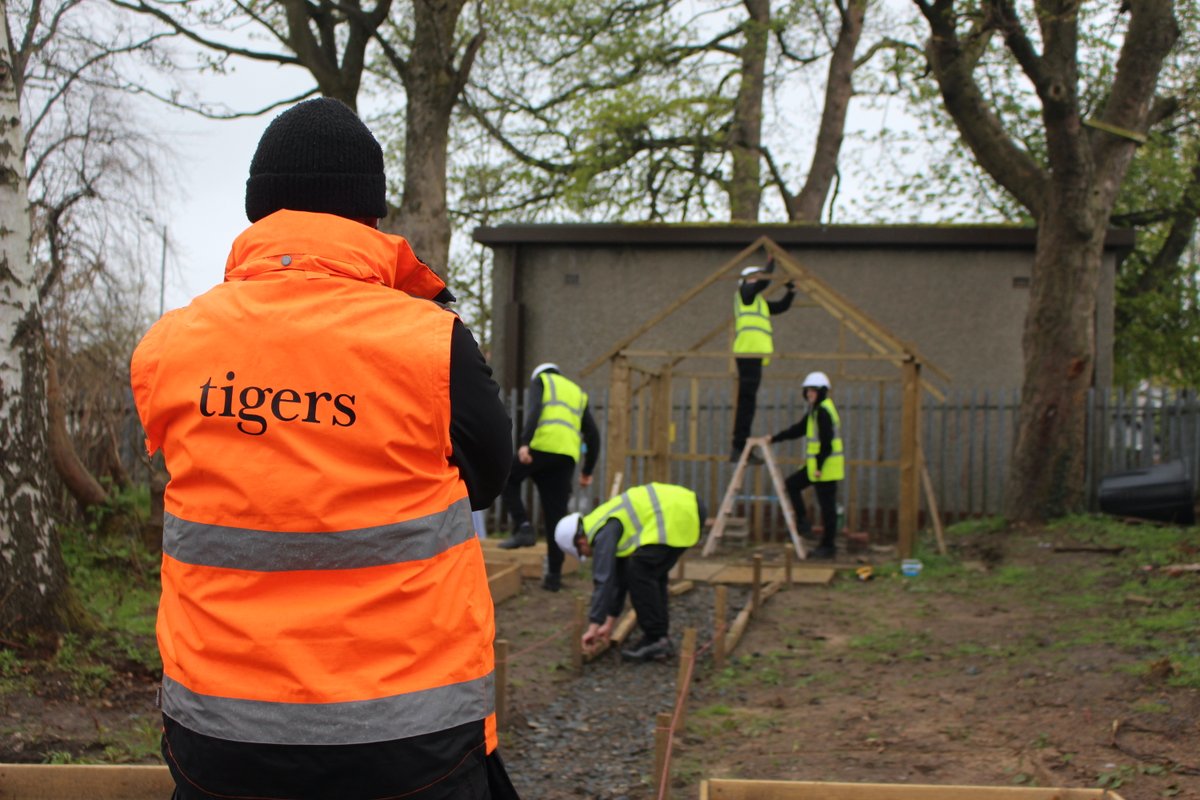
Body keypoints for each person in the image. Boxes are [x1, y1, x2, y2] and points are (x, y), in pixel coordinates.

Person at [129, 98, 519, 800]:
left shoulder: (170, 346)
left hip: (219, 741)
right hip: (409, 741)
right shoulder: (432, 343)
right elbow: (486, 481)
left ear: (259, 211)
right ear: (370, 215)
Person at [554, 483, 706, 662]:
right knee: (649, 573)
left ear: (580, 541)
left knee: (640, 571)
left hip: (677, 512)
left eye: (582, 553)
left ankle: (655, 638)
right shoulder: (602, 522)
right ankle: (660, 639)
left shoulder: (600, 532)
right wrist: (609, 624)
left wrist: (594, 626)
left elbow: (604, 579)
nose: (588, 556)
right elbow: (619, 579)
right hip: (685, 508)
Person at [499, 363, 601, 592]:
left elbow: (534, 410)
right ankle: (554, 576)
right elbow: (593, 434)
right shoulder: (577, 392)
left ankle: (524, 528)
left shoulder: (542, 381)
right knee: (556, 515)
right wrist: (587, 470)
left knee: (506, 479)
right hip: (565, 457)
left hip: (541, 448)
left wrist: (525, 443)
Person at [766, 371, 844, 560]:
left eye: (813, 391)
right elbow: (799, 429)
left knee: (827, 508)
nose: (809, 394)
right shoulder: (815, 411)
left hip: (825, 468)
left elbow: (826, 444)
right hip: (816, 467)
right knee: (791, 485)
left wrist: (818, 466)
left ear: (822, 392)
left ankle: (828, 546)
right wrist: (774, 438)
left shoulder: (824, 412)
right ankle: (803, 523)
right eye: (807, 390)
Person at [731, 254, 796, 463]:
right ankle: (739, 446)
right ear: (745, 280)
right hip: (747, 353)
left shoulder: (758, 302)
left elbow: (782, 306)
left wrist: (791, 291)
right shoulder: (744, 294)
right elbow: (764, 282)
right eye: (754, 277)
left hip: (755, 356)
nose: (758, 279)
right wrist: (770, 264)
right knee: (746, 402)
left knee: (749, 402)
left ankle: (740, 446)